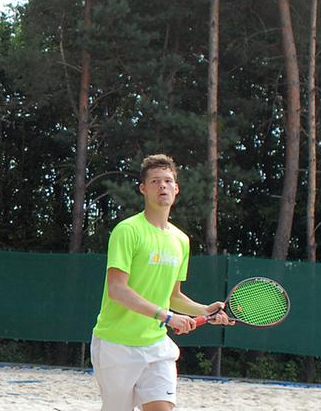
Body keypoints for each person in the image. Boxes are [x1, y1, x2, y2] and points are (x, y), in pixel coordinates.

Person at [90, 154, 233, 411]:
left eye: (168, 181)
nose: (163, 186)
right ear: (143, 189)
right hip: (116, 344)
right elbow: (117, 290)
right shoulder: (128, 230)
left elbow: (173, 296)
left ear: (176, 189)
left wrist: (204, 310)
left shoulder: (181, 240)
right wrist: (168, 317)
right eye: (155, 181)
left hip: (156, 344)